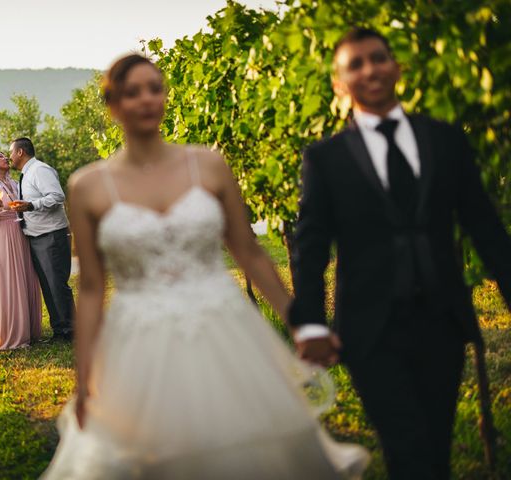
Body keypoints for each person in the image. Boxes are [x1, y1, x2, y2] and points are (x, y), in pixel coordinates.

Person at [40, 54, 369, 480]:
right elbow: (89, 290)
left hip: (224, 328)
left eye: (154, 88)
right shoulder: (87, 186)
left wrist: (300, 323)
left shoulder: (208, 164)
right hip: (139, 340)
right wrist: (84, 380)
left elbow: (249, 252)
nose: (146, 99)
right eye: (132, 92)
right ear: (113, 105)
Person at [289, 27, 511, 480]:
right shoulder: (325, 159)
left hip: (442, 321)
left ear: (396, 67)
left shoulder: (444, 140)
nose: (370, 69)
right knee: (406, 448)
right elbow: (311, 246)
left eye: (379, 58)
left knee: (434, 447)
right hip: (370, 329)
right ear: (339, 83)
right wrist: (310, 322)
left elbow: (483, 225)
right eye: (356, 63)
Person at [9, 137, 74, 341]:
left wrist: (30, 205)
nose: (9, 156)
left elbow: (57, 196)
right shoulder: (26, 174)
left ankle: (71, 330)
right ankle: (60, 329)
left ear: (20, 152)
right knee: (48, 285)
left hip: (51, 235)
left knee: (56, 283)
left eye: (11, 152)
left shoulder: (39, 170)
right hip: (37, 236)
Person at [0, 151, 42, 350]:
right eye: (1, 157)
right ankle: (13, 334)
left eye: (6, 156)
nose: (6, 158)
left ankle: (29, 330)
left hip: (20, 233)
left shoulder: (16, 183)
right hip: (2, 236)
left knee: (24, 277)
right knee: (10, 281)